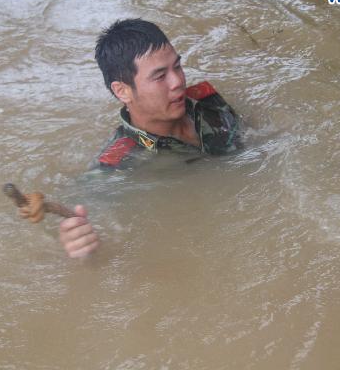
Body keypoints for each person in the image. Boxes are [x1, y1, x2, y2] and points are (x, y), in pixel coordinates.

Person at [59, 18, 242, 258]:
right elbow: (92, 213)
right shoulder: (118, 165)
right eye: (159, 76)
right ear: (122, 91)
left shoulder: (207, 102)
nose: (177, 82)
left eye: (177, 66)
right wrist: (81, 248)